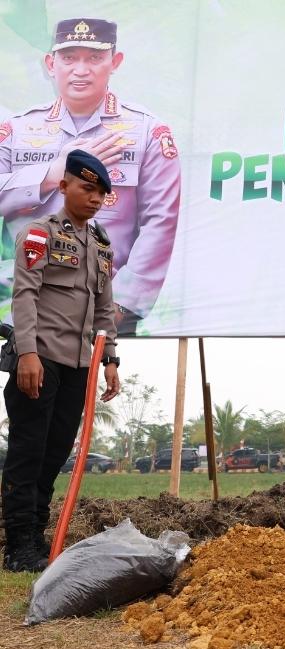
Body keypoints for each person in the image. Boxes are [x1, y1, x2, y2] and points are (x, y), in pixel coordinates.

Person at [0, 17, 181, 334]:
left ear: (115, 62)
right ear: (50, 63)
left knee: (90, 384)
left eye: (94, 58)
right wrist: (51, 173)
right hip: (22, 301)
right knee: (24, 382)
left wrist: (123, 305)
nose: (80, 70)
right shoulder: (18, 130)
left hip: (99, 308)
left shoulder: (147, 132)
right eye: (69, 58)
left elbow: (160, 221)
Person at [1, 150, 120, 572]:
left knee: (53, 455)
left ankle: (36, 535)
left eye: (102, 193)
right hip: (40, 360)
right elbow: (25, 294)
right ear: (64, 185)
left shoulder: (102, 246)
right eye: (87, 188)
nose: (94, 198)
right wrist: (27, 354)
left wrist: (110, 361)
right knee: (27, 453)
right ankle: (18, 547)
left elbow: (105, 310)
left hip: (79, 369)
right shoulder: (39, 233)